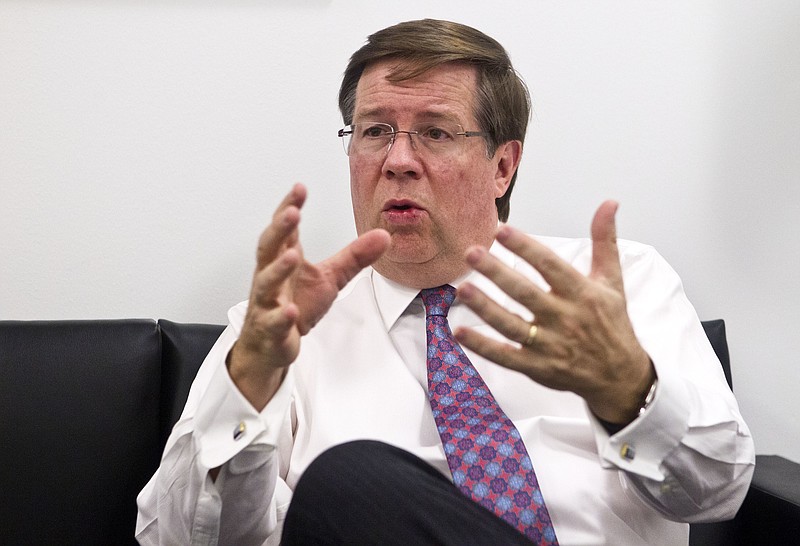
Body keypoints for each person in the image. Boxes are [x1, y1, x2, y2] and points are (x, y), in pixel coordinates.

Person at [136, 19, 754, 545]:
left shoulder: (614, 289)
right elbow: (178, 540)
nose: (398, 160)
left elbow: (717, 491)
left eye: (434, 131)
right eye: (375, 131)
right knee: (351, 484)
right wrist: (246, 385)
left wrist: (629, 391)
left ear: (502, 166)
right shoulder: (281, 329)